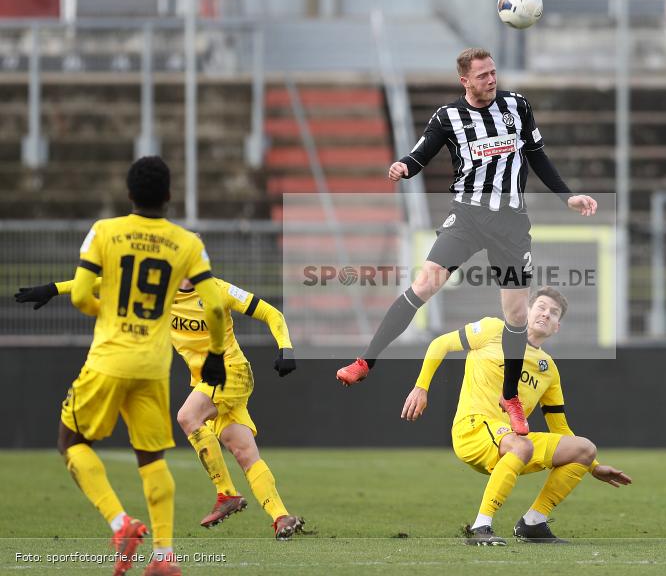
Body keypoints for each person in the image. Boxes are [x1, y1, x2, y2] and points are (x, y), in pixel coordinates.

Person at [337, 47, 598, 438]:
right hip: (468, 218)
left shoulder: (517, 106)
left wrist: (568, 197)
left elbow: (538, 156)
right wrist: (404, 166)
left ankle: (510, 397)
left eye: (493, 73)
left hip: (510, 224)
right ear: (465, 81)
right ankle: (365, 362)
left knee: (516, 315)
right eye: (482, 76)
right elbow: (421, 153)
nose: (491, 80)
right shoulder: (448, 116)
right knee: (424, 284)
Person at [19, 272, 304, 541]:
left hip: (233, 371)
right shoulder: (158, 291)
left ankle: (227, 493)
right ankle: (282, 517)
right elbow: (105, 282)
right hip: (207, 383)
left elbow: (271, 313)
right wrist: (53, 289)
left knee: (187, 416)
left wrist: (286, 348)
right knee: (244, 453)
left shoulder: (218, 290)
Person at [52, 156, 226, 576]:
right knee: (152, 458)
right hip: (152, 365)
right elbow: (216, 306)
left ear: (129, 193)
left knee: (71, 441)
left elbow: (81, 295)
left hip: (109, 358)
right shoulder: (187, 243)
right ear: (168, 195)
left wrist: (109, 313)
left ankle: (120, 523)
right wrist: (216, 354)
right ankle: (164, 555)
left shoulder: (104, 231)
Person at [400, 287, 631, 545]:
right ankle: (480, 527)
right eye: (541, 307)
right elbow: (440, 343)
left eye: (554, 313)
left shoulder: (548, 369)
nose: (546, 314)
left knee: (584, 448)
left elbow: (560, 428)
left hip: (511, 441)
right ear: (527, 311)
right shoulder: (493, 329)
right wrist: (421, 387)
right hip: (472, 429)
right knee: (522, 444)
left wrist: (594, 466)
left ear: (557, 327)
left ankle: (533, 522)